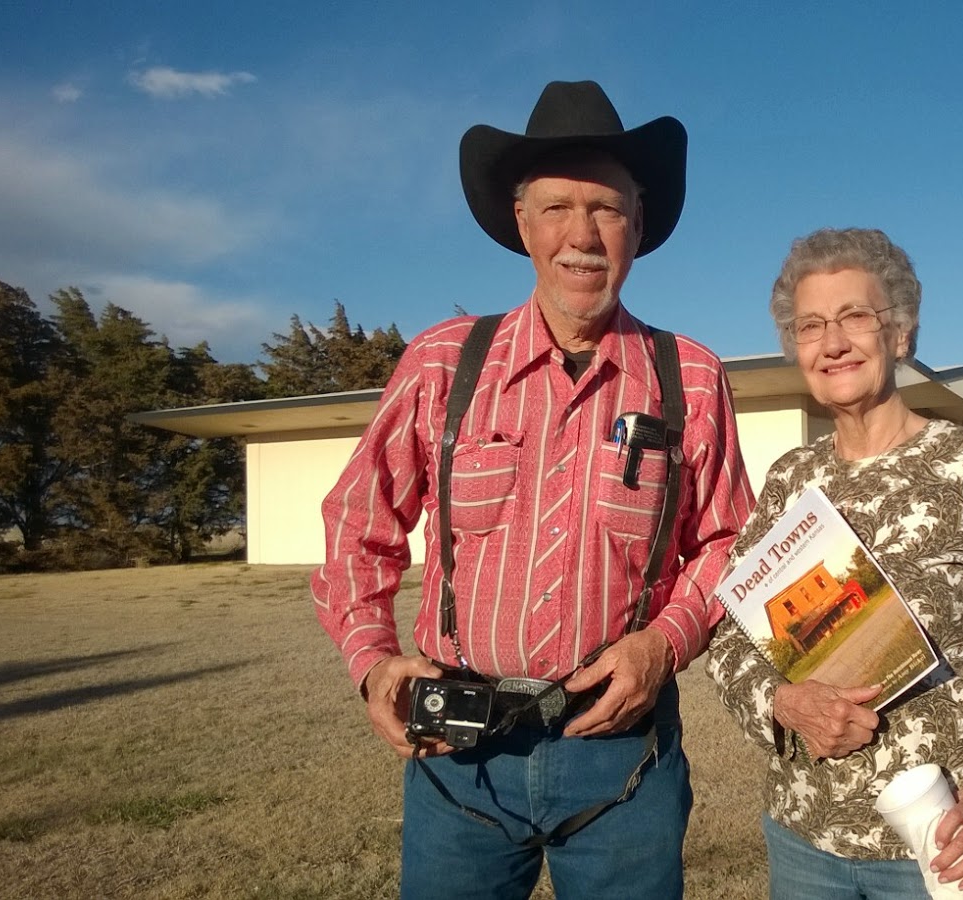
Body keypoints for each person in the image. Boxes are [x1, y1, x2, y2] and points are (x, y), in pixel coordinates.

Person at [311, 80, 752, 899]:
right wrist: (371, 661)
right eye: (557, 208)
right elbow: (357, 524)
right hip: (459, 762)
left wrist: (663, 645)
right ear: (522, 223)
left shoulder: (689, 376)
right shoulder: (444, 363)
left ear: (640, 225)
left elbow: (729, 540)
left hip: (623, 761)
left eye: (607, 209)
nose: (582, 235)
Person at [706, 227, 963, 899]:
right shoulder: (791, 481)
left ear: (902, 333)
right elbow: (733, 638)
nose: (832, 343)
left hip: (951, 846)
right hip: (807, 840)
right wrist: (782, 703)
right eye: (810, 326)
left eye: (855, 316)